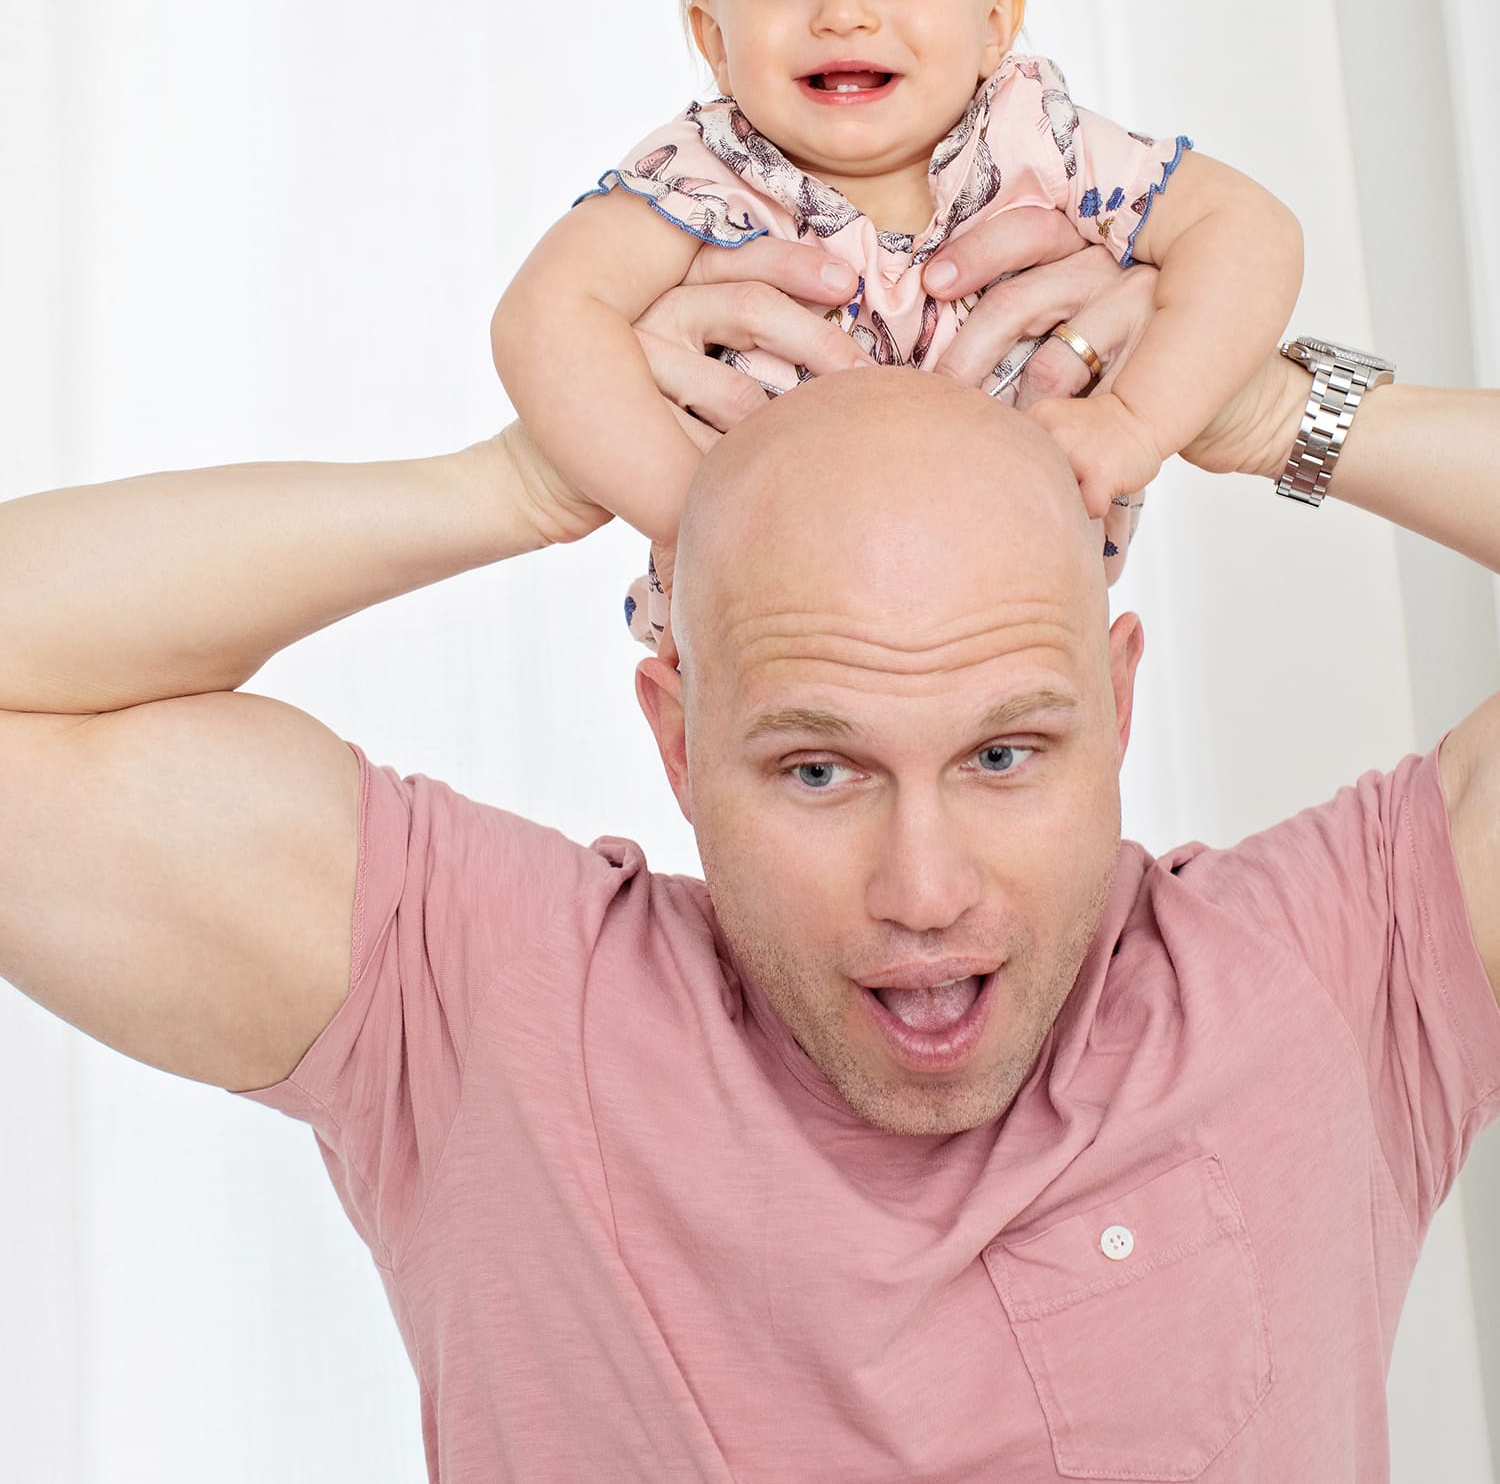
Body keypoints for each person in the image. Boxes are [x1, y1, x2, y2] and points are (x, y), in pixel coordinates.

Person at [0, 238, 1496, 1482]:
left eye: (1003, 754)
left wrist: (1274, 410)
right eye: (819, 767)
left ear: (1116, 703)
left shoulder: (1328, 980)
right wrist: (520, 482)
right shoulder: (485, 1010)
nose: (926, 888)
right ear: (675, 737)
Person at [490, 0, 1302, 644]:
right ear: (716, 44)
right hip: (770, 618)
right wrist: (693, 510)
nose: (844, 12)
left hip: (1010, 613)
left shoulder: (1038, 142)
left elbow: (1249, 233)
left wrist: (1133, 422)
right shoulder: (706, 174)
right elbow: (543, 320)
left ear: (996, 25)